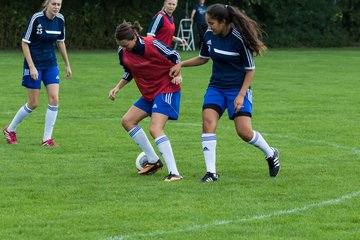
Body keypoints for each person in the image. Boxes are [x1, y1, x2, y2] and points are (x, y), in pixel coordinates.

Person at [170, 4, 280, 182]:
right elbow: (204, 58)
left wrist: (241, 95)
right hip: (216, 87)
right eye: (207, 23)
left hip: (237, 89)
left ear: (224, 22)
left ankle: (271, 153)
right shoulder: (208, 35)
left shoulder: (239, 38)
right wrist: (181, 64)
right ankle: (211, 173)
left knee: (244, 132)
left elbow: (250, 69)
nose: (209, 26)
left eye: (212, 23)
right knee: (208, 122)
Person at [109, 21, 183, 182]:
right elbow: (129, 70)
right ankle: (153, 161)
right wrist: (117, 87)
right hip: (149, 93)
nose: (124, 48)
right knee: (127, 121)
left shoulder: (152, 44)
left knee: (155, 128)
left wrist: (178, 73)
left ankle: (174, 173)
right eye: (120, 45)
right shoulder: (123, 52)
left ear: (134, 38)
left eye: (126, 44)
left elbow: (174, 56)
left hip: (166, 88)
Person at [3, 0, 71, 146]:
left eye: (59, 4)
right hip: (33, 64)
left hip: (50, 64)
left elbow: (60, 42)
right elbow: (24, 42)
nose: (56, 7)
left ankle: (47, 139)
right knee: (33, 103)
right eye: (54, 4)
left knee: (54, 98)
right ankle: (10, 129)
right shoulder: (36, 18)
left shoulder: (60, 19)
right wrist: (32, 67)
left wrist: (67, 65)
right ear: (46, 4)